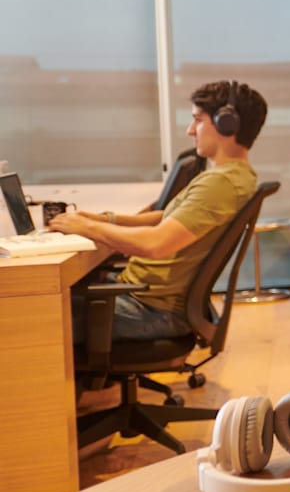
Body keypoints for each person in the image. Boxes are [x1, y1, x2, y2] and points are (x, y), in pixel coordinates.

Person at [51, 81, 267, 343]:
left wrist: (88, 228)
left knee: (37, 313)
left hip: (150, 310)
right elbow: (166, 217)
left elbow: (155, 244)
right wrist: (105, 219)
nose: (190, 130)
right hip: (145, 297)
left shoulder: (221, 184)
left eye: (197, 120)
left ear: (226, 124)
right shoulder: (235, 177)